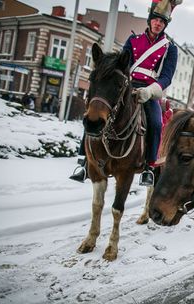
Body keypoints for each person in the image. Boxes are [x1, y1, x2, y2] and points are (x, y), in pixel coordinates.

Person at [69, 0, 181, 185]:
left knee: (155, 121)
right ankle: (83, 162)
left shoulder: (170, 48)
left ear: (165, 24)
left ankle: (149, 168)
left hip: (149, 91)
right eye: (155, 19)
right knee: (96, 111)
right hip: (126, 86)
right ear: (150, 20)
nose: (158, 23)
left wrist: (149, 91)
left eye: (162, 21)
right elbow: (122, 63)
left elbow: (167, 77)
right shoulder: (133, 40)